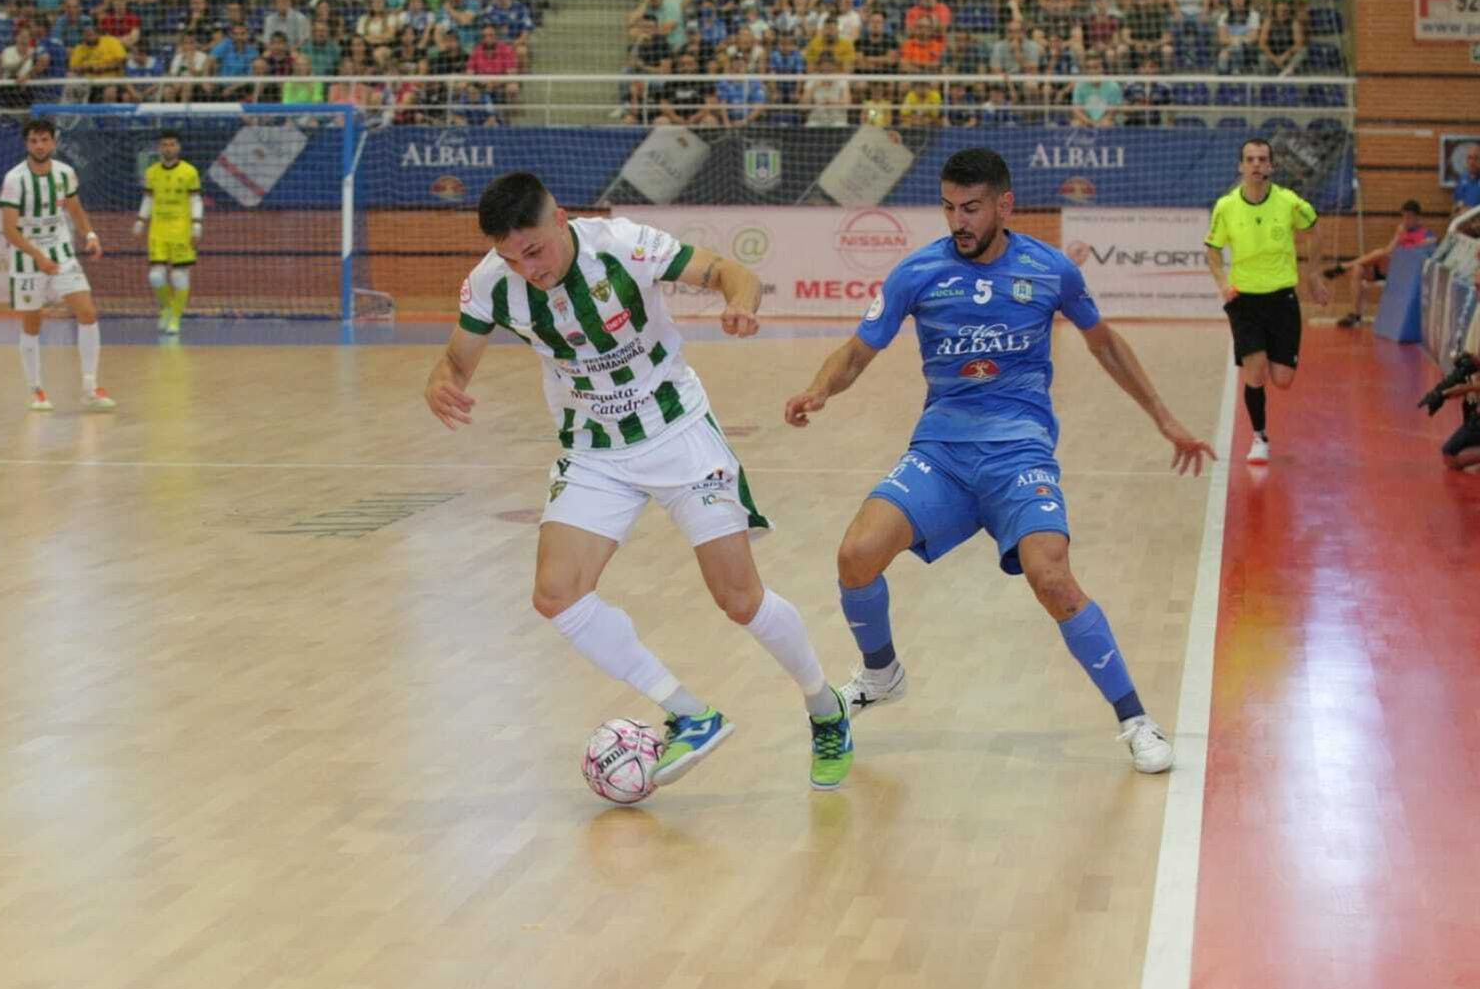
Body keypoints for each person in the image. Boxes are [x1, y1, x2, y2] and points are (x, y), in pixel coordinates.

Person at [783, 148, 1213, 775]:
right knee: (855, 556)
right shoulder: (917, 273)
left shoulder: (1050, 270)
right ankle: (882, 675)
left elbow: (1106, 346)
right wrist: (819, 389)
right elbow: (856, 352)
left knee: (1053, 578)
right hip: (941, 453)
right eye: (950, 208)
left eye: (972, 208)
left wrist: (1164, 418)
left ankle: (1135, 720)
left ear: (1004, 205)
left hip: (1018, 453)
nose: (958, 221)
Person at [423, 172, 853, 790]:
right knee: (556, 595)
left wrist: (740, 304)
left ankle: (824, 705)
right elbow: (456, 359)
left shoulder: (622, 244)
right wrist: (442, 382)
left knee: (739, 600)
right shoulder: (493, 283)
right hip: (594, 449)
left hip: (676, 431)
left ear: (561, 219)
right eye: (512, 257)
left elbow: (735, 272)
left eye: (535, 250)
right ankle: (689, 713)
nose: (529, 269)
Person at [1204, 138, 1330, 463]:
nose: (1257, 164)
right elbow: (1213, 251)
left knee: (1283, 380)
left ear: (1271, 166)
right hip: (1244, 301)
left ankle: (1262, 429)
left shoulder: (1289, 202)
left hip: (1282, 300)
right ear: (1241, 166)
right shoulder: (1226, 206)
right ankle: (1259, 437)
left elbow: (1315, 230)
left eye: (1262, 159)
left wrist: (1314, 275)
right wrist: (1223, 284)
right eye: (1250, 159)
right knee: (1255, 373)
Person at [0, 118, 115, 412]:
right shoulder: (15, 179)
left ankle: (90, 385)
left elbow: (75, 208)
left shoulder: (65, 174)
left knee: (88, 313)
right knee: (32, 322)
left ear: (54, 142)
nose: (39, 145)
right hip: (27, 257)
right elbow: (10, 229)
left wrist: (90, 235)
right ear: (27, 144)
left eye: (44, 140)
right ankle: (36, 389)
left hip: (62, 253)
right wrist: (38, 256)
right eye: (34, 141)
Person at [133, 131, 203, 335]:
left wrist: (197, 225)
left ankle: (176, 318)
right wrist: (140, 220)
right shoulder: (152, 172)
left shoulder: (189, 172)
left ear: (178, 147)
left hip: (181, 230)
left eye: (172, 144)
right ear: (159, 148)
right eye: (164, 144)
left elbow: (195, 200)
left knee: (180, 276)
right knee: (155, 276)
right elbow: (148, 198)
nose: (168, 148)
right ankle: (166, 309)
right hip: (158, 230)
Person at [1331, 199, 1436, 328]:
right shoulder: (1401, 231)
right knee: (1358, 269)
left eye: (1409, 217)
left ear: (1418, 218)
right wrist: (1399, 236)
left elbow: (1429, 247)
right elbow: (1390, 250)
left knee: (1380, 253)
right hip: (1387, 268)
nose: (1405, 221)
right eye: (1403, 217)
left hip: (1403, 272)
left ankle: (1345, 266)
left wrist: (1414, 245)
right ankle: (1356, 316)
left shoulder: (1427, 234)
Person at [1453, 143, 1480, 216]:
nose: (1472, 162)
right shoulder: (1462, 178)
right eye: (1469, 158)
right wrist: (1459, 210)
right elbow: (1457, 203)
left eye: (1476, 158)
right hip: (1464, 222)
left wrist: (1470, 212)